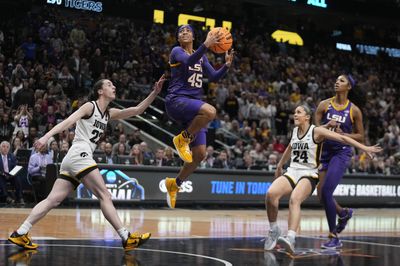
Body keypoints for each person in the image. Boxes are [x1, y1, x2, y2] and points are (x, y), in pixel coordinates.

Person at [8, 75, 166, 250]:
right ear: (100, 91)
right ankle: (126, 237)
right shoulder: (90, 106)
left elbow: (136, 110)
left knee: (53, 199)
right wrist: (45, 137)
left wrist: (154, 92)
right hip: (80, 154)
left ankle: (21, 232)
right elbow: (68, 121)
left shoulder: (108, 113)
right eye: (109, 84)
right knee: (104, 195)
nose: (113, 86)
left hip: (73, 158)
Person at [264, 105, 381, 254]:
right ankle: (274, 230)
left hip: (309, 174)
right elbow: (290, 147)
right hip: (293, 171)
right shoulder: (295, 131)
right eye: (294, 112)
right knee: (270, 194)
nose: (295, 115)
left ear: (307, 117)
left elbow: (342, 137)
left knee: (295, 199)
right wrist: (280, 165)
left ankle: (291, 238)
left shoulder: (317, 131)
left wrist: (364, 148)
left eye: (298, 112)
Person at [164, 24, 234, 208]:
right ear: (179, 38)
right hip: (177, 101)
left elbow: (213, 78)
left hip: (193, 110)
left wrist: (226, 66)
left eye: (188, 31)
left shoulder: (201, 57)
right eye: (181, 32)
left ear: (193, 36)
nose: (185, 33)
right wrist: (206, 45)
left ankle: (174, 184)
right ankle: (182, 140)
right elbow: (188, 62)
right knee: (211, 111)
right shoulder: (176, 51)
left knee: (200, 154)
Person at [315, 74, 365, 249]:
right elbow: (315, 128)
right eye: (336, 79)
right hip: (325, 151)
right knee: (321, 195)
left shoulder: (354, 110)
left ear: (349, 87)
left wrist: (344, 134)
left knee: (327, 192)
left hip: (342, 152)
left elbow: (361, 136)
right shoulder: (324, 104)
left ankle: (333, 236)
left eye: (341, 80)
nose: (337, 82)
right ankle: (343, 213)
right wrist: (326, 126)